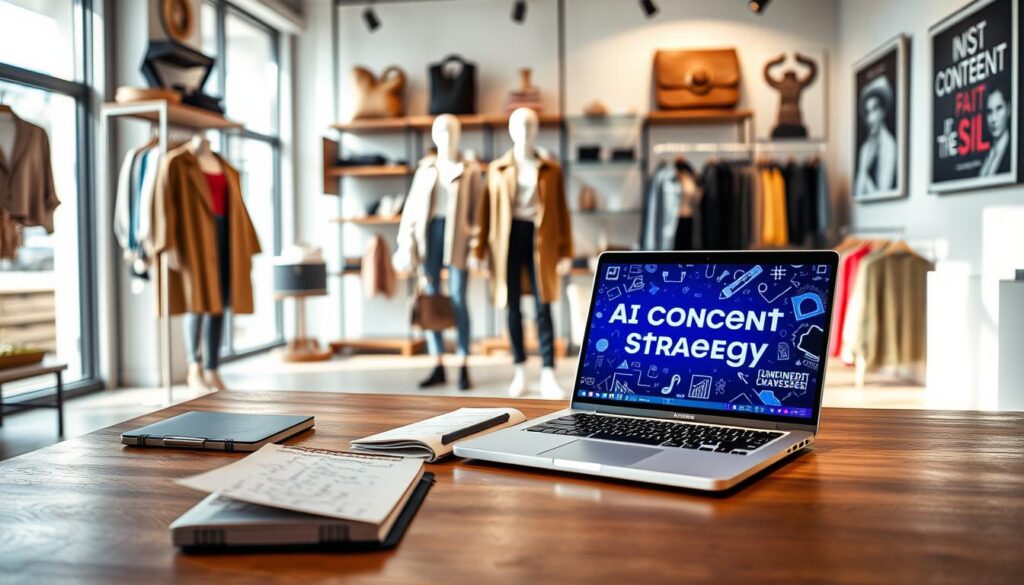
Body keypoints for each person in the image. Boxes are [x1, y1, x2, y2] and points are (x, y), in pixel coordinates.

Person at [854, 76, 897, 196]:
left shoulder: (889, 145)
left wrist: (865, 173)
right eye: (868, 112)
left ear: (882, 111)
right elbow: (858, 191)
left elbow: (883, 193)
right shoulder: (865, 148)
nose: (870, 119)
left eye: (874, 110)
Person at [979, 84, 1012, 177]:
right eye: (989, 112)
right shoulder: (983, 155)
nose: (993, 119)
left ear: (1009, 109)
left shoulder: (1013, 151)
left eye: (999, 108)